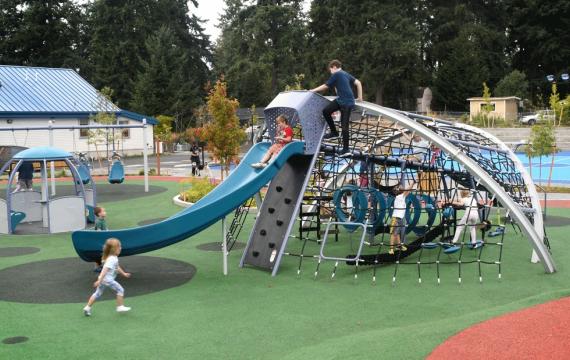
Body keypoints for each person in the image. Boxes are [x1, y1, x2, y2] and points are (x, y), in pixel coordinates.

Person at [311, 59, 363, 157]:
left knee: (344, 126)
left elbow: (325, 86)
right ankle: (334, 132)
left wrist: (312, 90)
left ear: (334, 67)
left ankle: (346, 149)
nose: (331, 73)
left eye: (330, 70)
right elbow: (358, 83)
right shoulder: (345, 74)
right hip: (341, 100)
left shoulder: (337, 74)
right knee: (326, 111)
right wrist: (360, 97)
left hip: (347, 102)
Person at [83, 238, 131, 316]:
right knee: (120, 290)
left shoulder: (111, 257)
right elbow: (104, 270)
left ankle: (87, 307)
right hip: (107, 280)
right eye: (119, 247)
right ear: (114, 249)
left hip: (103, 280)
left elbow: (117, 267)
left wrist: (124, 274)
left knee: (97, 293)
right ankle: (120, 306)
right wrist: (99, 280)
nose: (120, 248)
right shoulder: (112, 259)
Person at [389, 181, 416, 255]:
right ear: (399, 191)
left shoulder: (400, 197)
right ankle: (391, 249)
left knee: (397, 233)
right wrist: (413, 182)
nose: (402, 187)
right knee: (393, 233)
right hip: (396, 219)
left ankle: (399, 246)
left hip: (400, 218)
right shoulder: (400, 196)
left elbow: (407, 191)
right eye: (400, 187)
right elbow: (408, 189)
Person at [93, 207, 107, 272]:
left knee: (104, 252)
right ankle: (96, 267)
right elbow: (99, 231)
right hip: (98, 239)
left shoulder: (103, 220)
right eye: (103, 211)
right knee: (99, 252)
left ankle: (101, 264)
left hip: (103, 238)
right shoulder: (98, 221)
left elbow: (105, 228)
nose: (105, 212)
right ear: (99, 214)